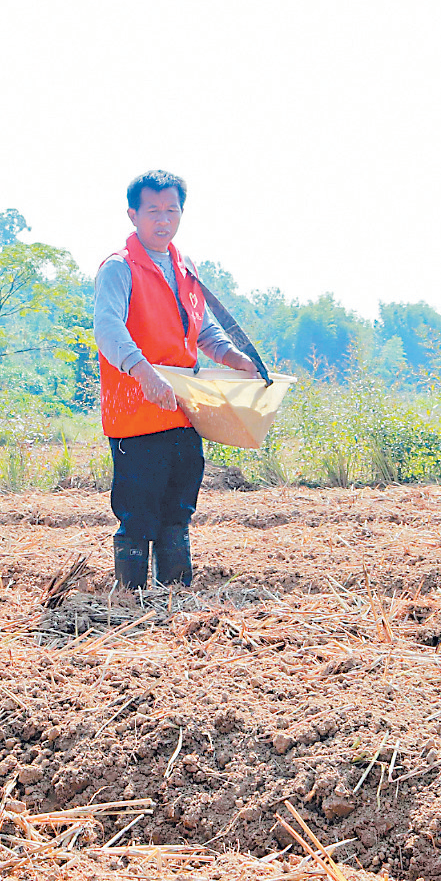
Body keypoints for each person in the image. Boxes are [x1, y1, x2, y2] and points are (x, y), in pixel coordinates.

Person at [94, 170, 259, 589]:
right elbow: (108, 330)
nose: (163, 219)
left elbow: (202, 329)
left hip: (184, 411)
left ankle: (174, 602)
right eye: (153, 210)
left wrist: (231, 356)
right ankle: (128, 601)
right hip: (137, 412)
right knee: (137, 512)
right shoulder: (118, 269)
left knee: (178, 511)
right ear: (133, 215)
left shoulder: (186, 268)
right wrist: (144, 373)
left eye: (172, 210)